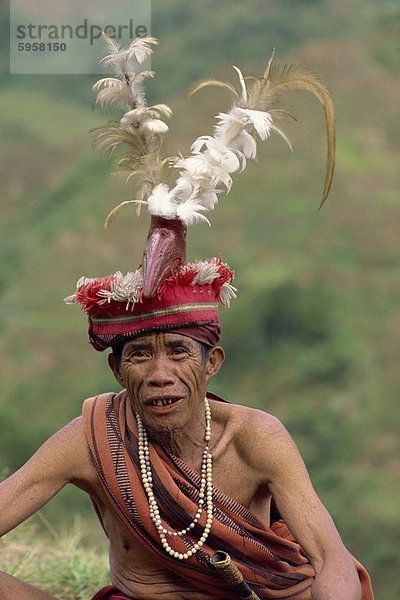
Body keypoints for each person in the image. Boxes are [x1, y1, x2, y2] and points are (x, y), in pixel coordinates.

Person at [0, 36, 374, 599]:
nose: (159, 373)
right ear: (118, 371)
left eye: (178, 351)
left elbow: (332, 560)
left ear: (212, 362)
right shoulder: (93, 440)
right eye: (139, 355)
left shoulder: (256, 439)